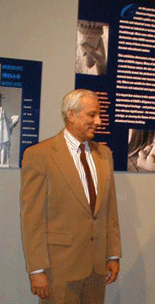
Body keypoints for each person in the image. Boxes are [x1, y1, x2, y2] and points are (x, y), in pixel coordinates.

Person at [20, 89, 121, 304]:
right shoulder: (40, 155)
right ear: (71, 114)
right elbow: (32, 219)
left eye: (99, 115)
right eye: (92, 115)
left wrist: (113, 254)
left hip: (96, 267)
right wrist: (36, 270)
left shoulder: (104, 155)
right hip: (59, 269)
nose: (99, 121)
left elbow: (109, 209)